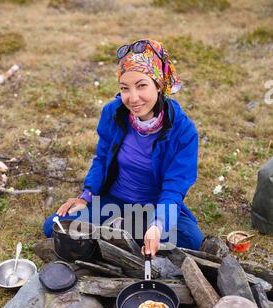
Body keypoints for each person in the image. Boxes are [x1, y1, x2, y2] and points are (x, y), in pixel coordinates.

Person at [43, 38, 204, 257]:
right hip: (114, 200)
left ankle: (119, 232)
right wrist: (86, 197)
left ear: (158, 84)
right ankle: (122, 232)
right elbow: (101, 158)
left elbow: (174, 187)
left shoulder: (183, 131)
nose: (133, 98)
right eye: (125, 88)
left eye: (141, 85)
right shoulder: (114, 113)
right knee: (54, 226)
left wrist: (158, 225)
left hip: (153, 207)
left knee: (191, 240)